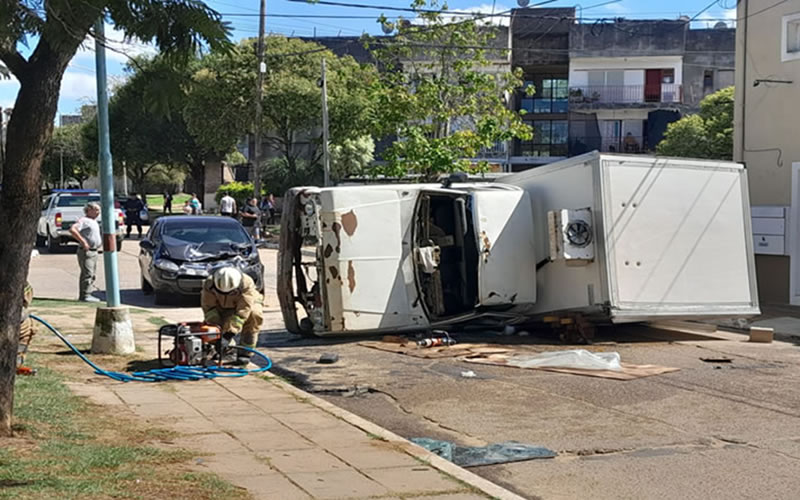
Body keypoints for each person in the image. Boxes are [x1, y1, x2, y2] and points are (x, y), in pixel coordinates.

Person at [201, 267, 263, 365]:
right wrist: (218, 334)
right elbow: (209, 309)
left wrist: (228, 335)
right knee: (212, 326)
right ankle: (224, 349)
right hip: (221, 306)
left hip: (247, 305)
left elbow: (242, 312)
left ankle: (245, 352)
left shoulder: (246, 284)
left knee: (254, 315)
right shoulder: (209, 284)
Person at [69, 202, 102, 302]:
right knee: (87, 273)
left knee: (92, 274)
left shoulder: (94, 221)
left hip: (94, 251)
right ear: (89, 210)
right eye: (96, 210)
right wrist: (83, 241)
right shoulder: (84, 221)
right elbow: (73, 229)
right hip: (86, 251)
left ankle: (89, 293)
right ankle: (85, 295)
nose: (98, 212)